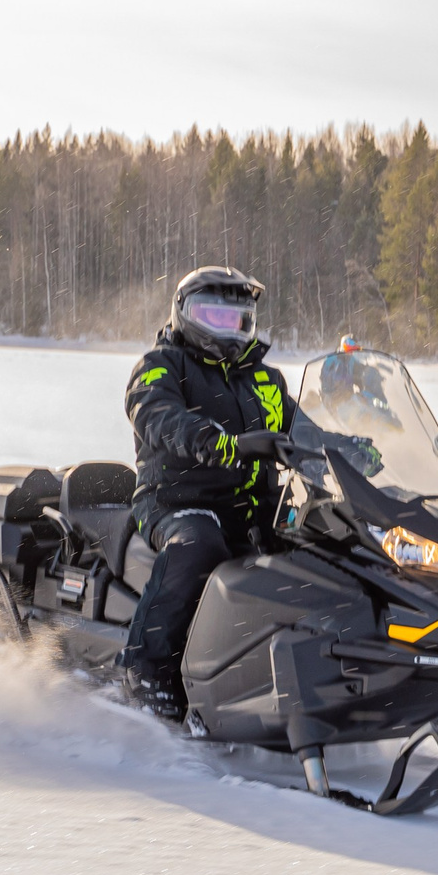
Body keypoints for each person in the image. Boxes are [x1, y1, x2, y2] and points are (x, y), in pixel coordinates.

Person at [115, 265, 294, 718]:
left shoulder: (264, 380)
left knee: (314, 549)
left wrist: (352, 446)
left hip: (252, 509)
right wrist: (217, 442)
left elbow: (303, 428)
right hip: (175, 501)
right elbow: (157, 415)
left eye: (237, 319)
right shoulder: (161, 365)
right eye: (213, 316)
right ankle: (145, 671)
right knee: (198, 546)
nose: (226, 328)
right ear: (185, 314)